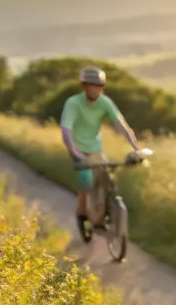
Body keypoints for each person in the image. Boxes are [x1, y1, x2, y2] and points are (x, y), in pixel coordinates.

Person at [60, 66, 141, 240]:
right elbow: (66, 130)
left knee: (107, 177)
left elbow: (121, 125)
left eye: (100, 85)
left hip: (96, 149)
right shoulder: (73, 103)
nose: (97, 89)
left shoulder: (105, 102)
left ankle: (102, 214)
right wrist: (75, 152)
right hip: (79, 149)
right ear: (84, 86)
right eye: (93, 85)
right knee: (87, 180)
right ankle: (81, 213)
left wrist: (136, 148)